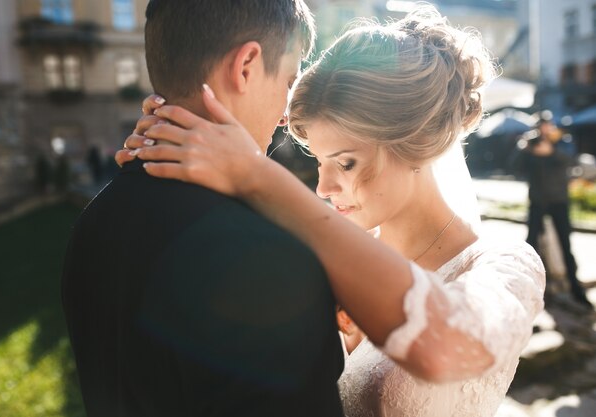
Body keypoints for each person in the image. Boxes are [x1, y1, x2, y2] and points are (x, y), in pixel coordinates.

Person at [117, 7, 546, 417]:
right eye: (319, 164)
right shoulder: (323, 262)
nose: (323, 188)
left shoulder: (508, 265)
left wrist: (255, 175)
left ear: (417, 145)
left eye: (346, 163)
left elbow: (448, 348)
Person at [62, 1, 344, 416]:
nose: (285, 116)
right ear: (246, 65)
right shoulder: (269, 258)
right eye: (287, 81)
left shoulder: (94, 219)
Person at [511, 114, 592, 307]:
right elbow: (514, 166)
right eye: (542, 126)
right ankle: (525, 289)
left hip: (558, 201)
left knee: (566, 246)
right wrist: (526, 148)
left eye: (548, 125)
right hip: (538, 201)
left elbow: (572, 161)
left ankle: (576, 289)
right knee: (530, 246)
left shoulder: (562, 142)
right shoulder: (530, 144)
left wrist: (551, 151)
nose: (545, 130)